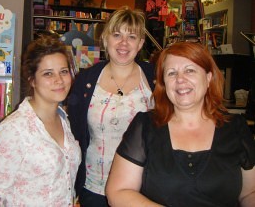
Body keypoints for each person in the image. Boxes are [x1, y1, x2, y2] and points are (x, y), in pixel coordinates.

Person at [105, 42, 255, 207]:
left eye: (190, 70)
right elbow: (118, 192)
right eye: (171, 73)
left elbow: (250, 193)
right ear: (164, 83)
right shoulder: (145, 126)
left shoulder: (236, 128)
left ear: (208, 77)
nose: (180, 79)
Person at [0, 35, 81, 206]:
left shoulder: (63, 119)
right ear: (32, 80)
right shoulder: (14, 129)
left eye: (63, 71)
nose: (59, 80)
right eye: (48, 73)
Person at [67, 6, 156, 207]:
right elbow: (74, 132)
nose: (124, 43)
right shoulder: (86, 80)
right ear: (106, 39)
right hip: (95, 187)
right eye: (117, 35)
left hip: (144, 188)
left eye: (132, 37)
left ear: (140, 43)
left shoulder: (155, 78)